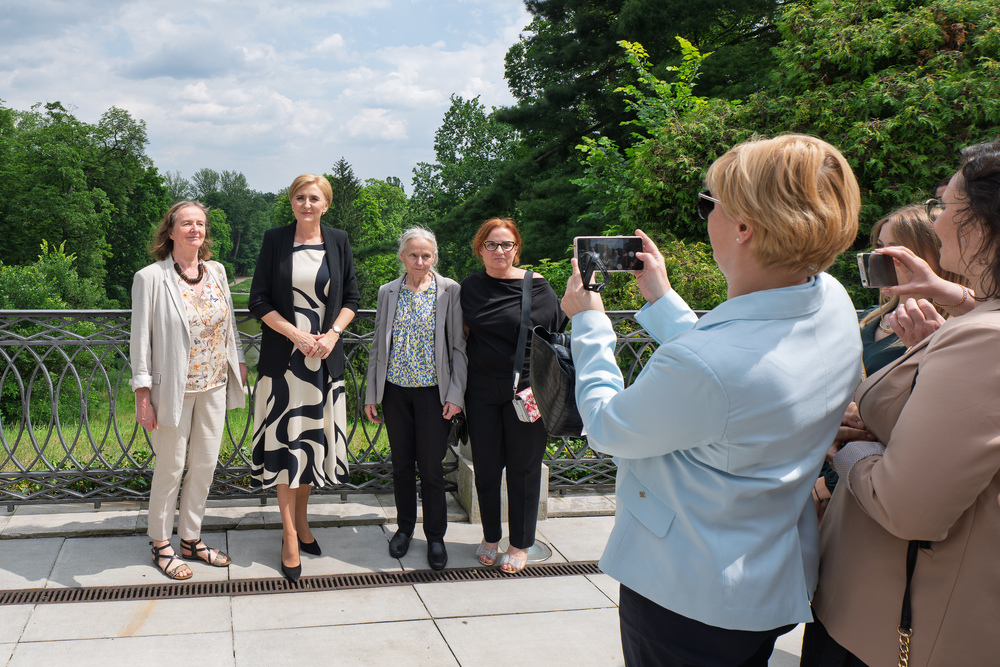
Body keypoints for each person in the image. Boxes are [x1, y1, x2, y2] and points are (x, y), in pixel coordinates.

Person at [561, 134, 863, 666]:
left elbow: (609, 427)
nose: (706, 216)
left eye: (710, 204)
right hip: (766, 581)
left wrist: (588, 322)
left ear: (744, 227)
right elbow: (733, 381)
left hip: (687, 595)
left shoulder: (708, 364)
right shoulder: (832, 301)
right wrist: (662, 299)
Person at [803, 140, 1000, 667]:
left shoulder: (984, 343)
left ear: (982, 224)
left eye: (946, 205)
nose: (936, 221)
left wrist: (848, 450)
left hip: (891, 628)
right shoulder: (978, 320)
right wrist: (955, 296)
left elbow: (905, 507)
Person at [248, 174, 360, 583]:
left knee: (310, 447)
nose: (307, 204)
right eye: (300, 197)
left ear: (326, 204)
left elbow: (351, 298)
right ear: (291, 202)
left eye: (314, 198)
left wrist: (332, 335)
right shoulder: (275, 239)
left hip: (323, 363)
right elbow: (257, 299)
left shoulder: (338, 240)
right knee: (285, 449)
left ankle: (303, 520)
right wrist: (295, 334)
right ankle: (289, 535)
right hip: (284, 363)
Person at [130, 200, 247, 580]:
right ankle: (161, 543)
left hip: (214, 384)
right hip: (173, 391)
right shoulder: (150, 278)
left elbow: (229, 325)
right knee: (170, 467)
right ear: (170, 230)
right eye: (186, 224)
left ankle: (191, 538)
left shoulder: (217, 272)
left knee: (205, 465)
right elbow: (140, 341)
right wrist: (142, 395)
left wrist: (239, 361)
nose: (194, 229)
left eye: (200, 224)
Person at [461, 217, 562, 573]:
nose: (499, 251)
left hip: (527, 391)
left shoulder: (537, 287)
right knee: (487, 468)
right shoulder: (469, 288)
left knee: (523, 468)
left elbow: (556, 334)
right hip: (481, 389)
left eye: (506, 244)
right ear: (480, 249)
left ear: (517, 248)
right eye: (492, 244)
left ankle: (520, 543)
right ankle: (490, 536)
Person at [363, 228, 467, 570]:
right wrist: (372, 393)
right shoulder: (387, 292)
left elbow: (458, 347)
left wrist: (455, 395)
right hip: (395, 392)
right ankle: (405, 528)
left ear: (434, 257)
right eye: (413, 255)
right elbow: (379, 344)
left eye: (426, 255)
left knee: (432, 469)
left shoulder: (449, 290)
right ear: (402, 257)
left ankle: (435, 536)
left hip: (434, 395)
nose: (419, 261)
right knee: (402, 466)